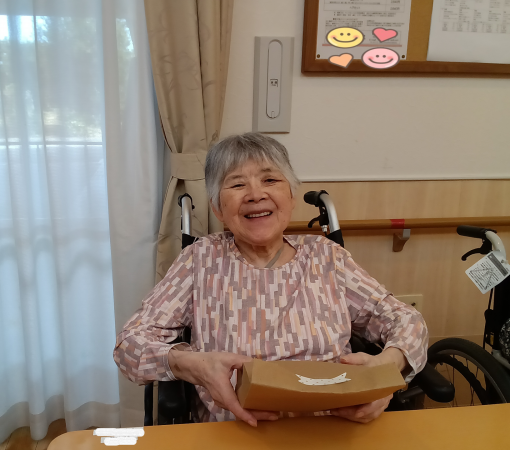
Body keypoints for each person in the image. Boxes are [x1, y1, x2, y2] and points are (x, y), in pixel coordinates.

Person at [114, 132, 428, 427]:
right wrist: (190, 364)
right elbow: (129, 345)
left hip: (333, 426)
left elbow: (406, 319)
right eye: (237, 184)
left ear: (290, 197)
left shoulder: (326, 256)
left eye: (270, 180)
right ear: (217, 208)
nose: (255, 194)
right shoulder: (200, 259)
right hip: (233, 429)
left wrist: (387, 368)